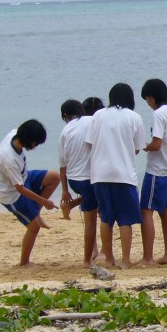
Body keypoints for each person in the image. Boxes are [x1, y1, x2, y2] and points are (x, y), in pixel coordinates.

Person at [86, 83, 146, 269]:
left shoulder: (98, 115)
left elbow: (90, 142)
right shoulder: (134, 117)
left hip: (100, 174)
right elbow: (138, 148)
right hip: (123, 174)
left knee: (106, 218)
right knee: (125, 219)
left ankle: (109, 259)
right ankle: (126, 260)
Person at [0, 119, 60, 266]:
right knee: (34, 227)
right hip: (10, 193)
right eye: (36, 143)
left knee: (54, 177)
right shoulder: (8, 158)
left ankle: (35, 213)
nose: (35, 147)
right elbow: (20, 189)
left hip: (23, 177)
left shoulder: (15, 134)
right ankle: (24, 262)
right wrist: (45, 202)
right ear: (29, 140)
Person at [139, 78, 167, 265]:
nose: (148, 103)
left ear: (152, 97)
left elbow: (156, 144)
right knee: (166, 210)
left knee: (146, 211)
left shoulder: (158, 115)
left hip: (157, 170)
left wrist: (144, 146)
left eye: (147, 99)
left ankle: (147, 256)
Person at [58, 99, 99, 264]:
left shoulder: (65, 130)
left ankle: (70, 205)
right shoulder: (92, 121)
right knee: (91, 222)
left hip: (74, 180)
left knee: (94, 203)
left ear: (65, 115)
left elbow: (62, 165)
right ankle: (87, 260)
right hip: (90, 178)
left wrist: (64, 190)